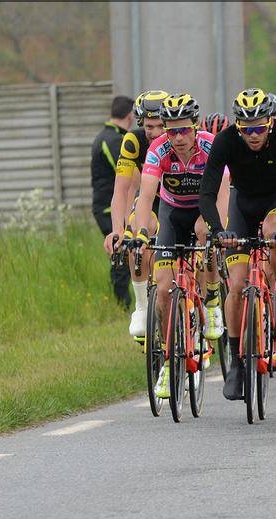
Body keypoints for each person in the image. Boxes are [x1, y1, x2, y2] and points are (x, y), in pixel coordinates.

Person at [198, 88, 276, 401]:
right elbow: (207, 193)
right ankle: (235, 361)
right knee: (237, 286)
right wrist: (218, 230)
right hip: (242, 204)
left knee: (273, 231)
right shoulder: (227, 140)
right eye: (246, 130)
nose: (253, 136)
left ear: (270, 122)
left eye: (259, 128)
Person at [132, 93, 230, 398]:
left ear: (195, 126)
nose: (177, 137)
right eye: (170, 130)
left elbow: (224, 192)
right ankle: (167, 361)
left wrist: (219, 229)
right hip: (172, 214)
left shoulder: (211, 145)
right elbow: (146, 198)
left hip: (205, 207)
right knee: (163, 289)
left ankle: (212, 298)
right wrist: (139, 235)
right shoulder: (157, 149)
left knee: (205, 233)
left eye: (183, 130)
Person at [102, 89, 169, 337]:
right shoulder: (133, 140)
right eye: (149, 126)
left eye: (161, 125)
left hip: (178, 201)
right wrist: (118, 231)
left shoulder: (180, 138)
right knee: (135, 233)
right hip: (150, 201)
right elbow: (121, 189)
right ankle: (141, 305)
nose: (154, 133)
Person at [91, 95, 134, 308]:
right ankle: (122, 304)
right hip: (109, 207)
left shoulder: (107, 136)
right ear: (130, 116)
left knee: (123, 253)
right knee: (122, 250)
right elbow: (128, 172)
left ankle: (122, 302)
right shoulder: (114, 140)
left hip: (106, 205)